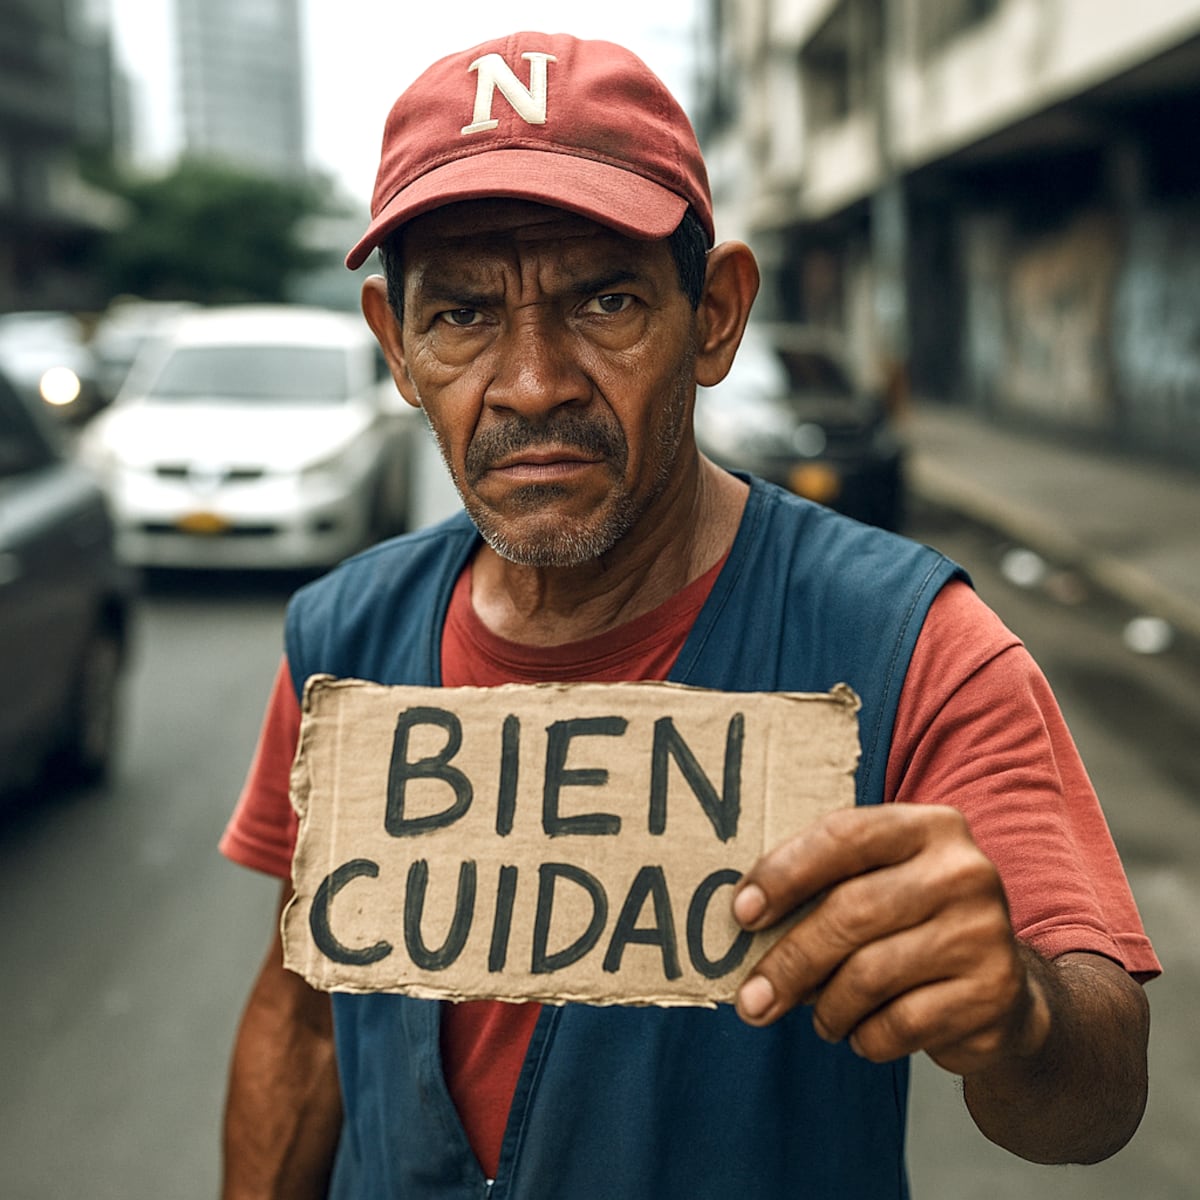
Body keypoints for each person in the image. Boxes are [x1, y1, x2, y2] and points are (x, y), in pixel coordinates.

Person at [219, 30, 1158, 1199]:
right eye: (461, 315)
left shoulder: (915, 644)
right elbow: (307, 1020)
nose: (531, 381)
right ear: (397, 347)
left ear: (714, 315)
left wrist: (1018, 1012)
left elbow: (1100, 1100)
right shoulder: (341, 637)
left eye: (604, 300)